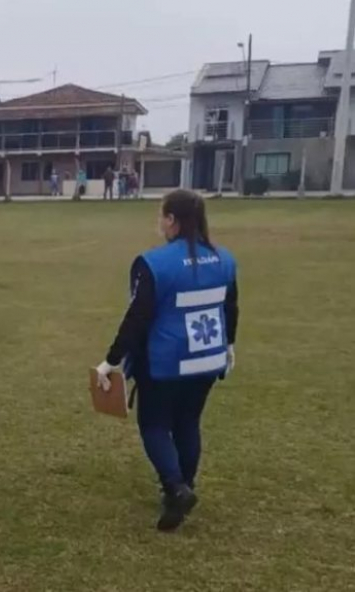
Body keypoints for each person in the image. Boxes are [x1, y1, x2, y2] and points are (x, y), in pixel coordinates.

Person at [95, 190, 239, 532]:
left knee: (155, 425)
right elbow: (230, 307)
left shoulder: (154, 263)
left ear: (171, 219)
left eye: (162, 215)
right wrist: (229, 344)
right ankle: (184, 487)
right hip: (207, 357)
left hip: (165, 362)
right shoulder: (225, 259)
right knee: (188, 423)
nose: (159, 222)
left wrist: (110, 361)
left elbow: (138, 317)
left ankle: (175, 487)